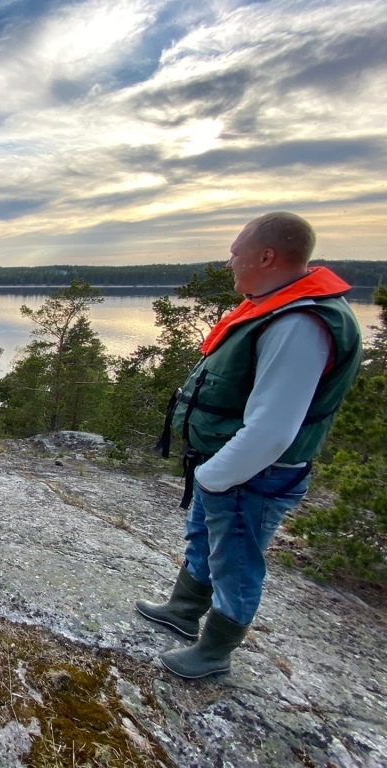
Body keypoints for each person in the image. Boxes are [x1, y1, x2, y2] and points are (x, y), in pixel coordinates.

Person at [137, 212, 362, 679]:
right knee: (204, 538)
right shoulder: (275, 307)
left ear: (267, 256)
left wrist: (214, 475)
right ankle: (183, 609)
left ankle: (215, 653)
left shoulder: (299, 322)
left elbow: (274, 429)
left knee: (237, 560)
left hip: (257, 469)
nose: (228, 263)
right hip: (231, 460)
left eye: (235, 252)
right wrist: (210, 471)